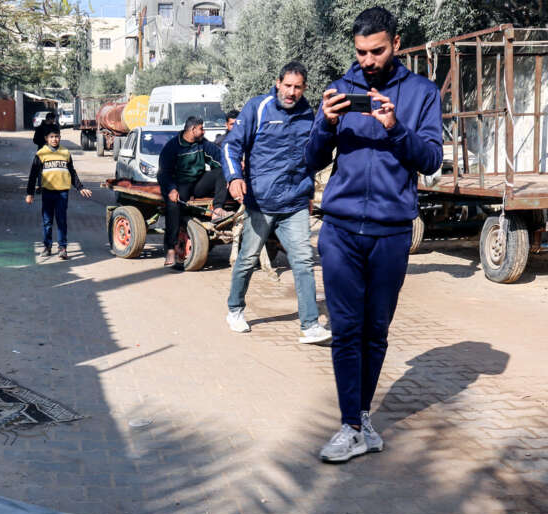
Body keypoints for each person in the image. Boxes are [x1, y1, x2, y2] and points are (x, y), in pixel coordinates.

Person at [305, 6, 442, 462]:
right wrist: (325, 124)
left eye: (376, 51)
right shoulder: (340, 90)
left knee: (375, 330)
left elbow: (431, 159)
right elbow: (311, 160)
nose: (367, 60)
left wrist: (395, 127)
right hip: (340, 228)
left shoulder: (421, 93)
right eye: (361, 52)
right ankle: (349, 426)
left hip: (391, 232)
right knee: (345, 329)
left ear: (396, 44)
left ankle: (362, 418)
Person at [221, 61, 330, 345]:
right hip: (261, 202)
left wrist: (308, 194)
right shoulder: (258, 107)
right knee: (247, 259)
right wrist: (234, 177)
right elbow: (231, 146)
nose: (291, 92)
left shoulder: (309, 113)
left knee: (303, 260)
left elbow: (311, 158)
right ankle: (235, 309)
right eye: (287, 85)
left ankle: (310, 325)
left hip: (293, 202)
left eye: (298, 87)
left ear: (304, 88)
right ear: (278, 83)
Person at [157, 116, 230, 269]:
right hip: (179, 184)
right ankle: (171, 247)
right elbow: (164, 173)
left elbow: (219, 157)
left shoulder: (202, 144)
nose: (203, 131)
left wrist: (233, 168)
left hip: (197, 182)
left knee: (221, 172)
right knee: (175, 208)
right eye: (201, 128)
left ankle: (217, 209)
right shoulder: (172, 147)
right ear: (192, 130)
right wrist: (171, 189)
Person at [26, 129, 92, 260]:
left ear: (60, 138)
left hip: (62, 193)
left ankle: (62, 248)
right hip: (47, 192)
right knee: (47, 221)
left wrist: (80, 187)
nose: (54, 139)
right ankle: (47, 247)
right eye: (51, 137)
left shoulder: (65, 153)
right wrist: (30, 193)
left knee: (61, 220)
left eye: (57, 137)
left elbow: (72, 172)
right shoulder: (41, 154)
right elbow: (33, 175)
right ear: (46, 138)